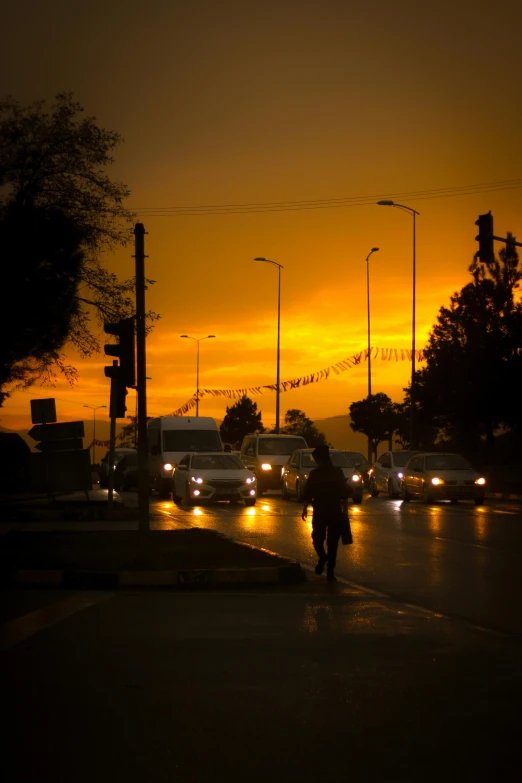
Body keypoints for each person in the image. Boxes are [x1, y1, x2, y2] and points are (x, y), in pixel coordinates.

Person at [301, 445, 352, 582]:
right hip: (328, 510)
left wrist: (305, 508)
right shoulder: (327, 473)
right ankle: (326, 562)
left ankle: (328, 566)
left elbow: (307, 493)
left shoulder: (325, 473)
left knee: (324, 540)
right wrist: (345, 511)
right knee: (327, 541)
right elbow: (345, 493)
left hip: (327, 511)